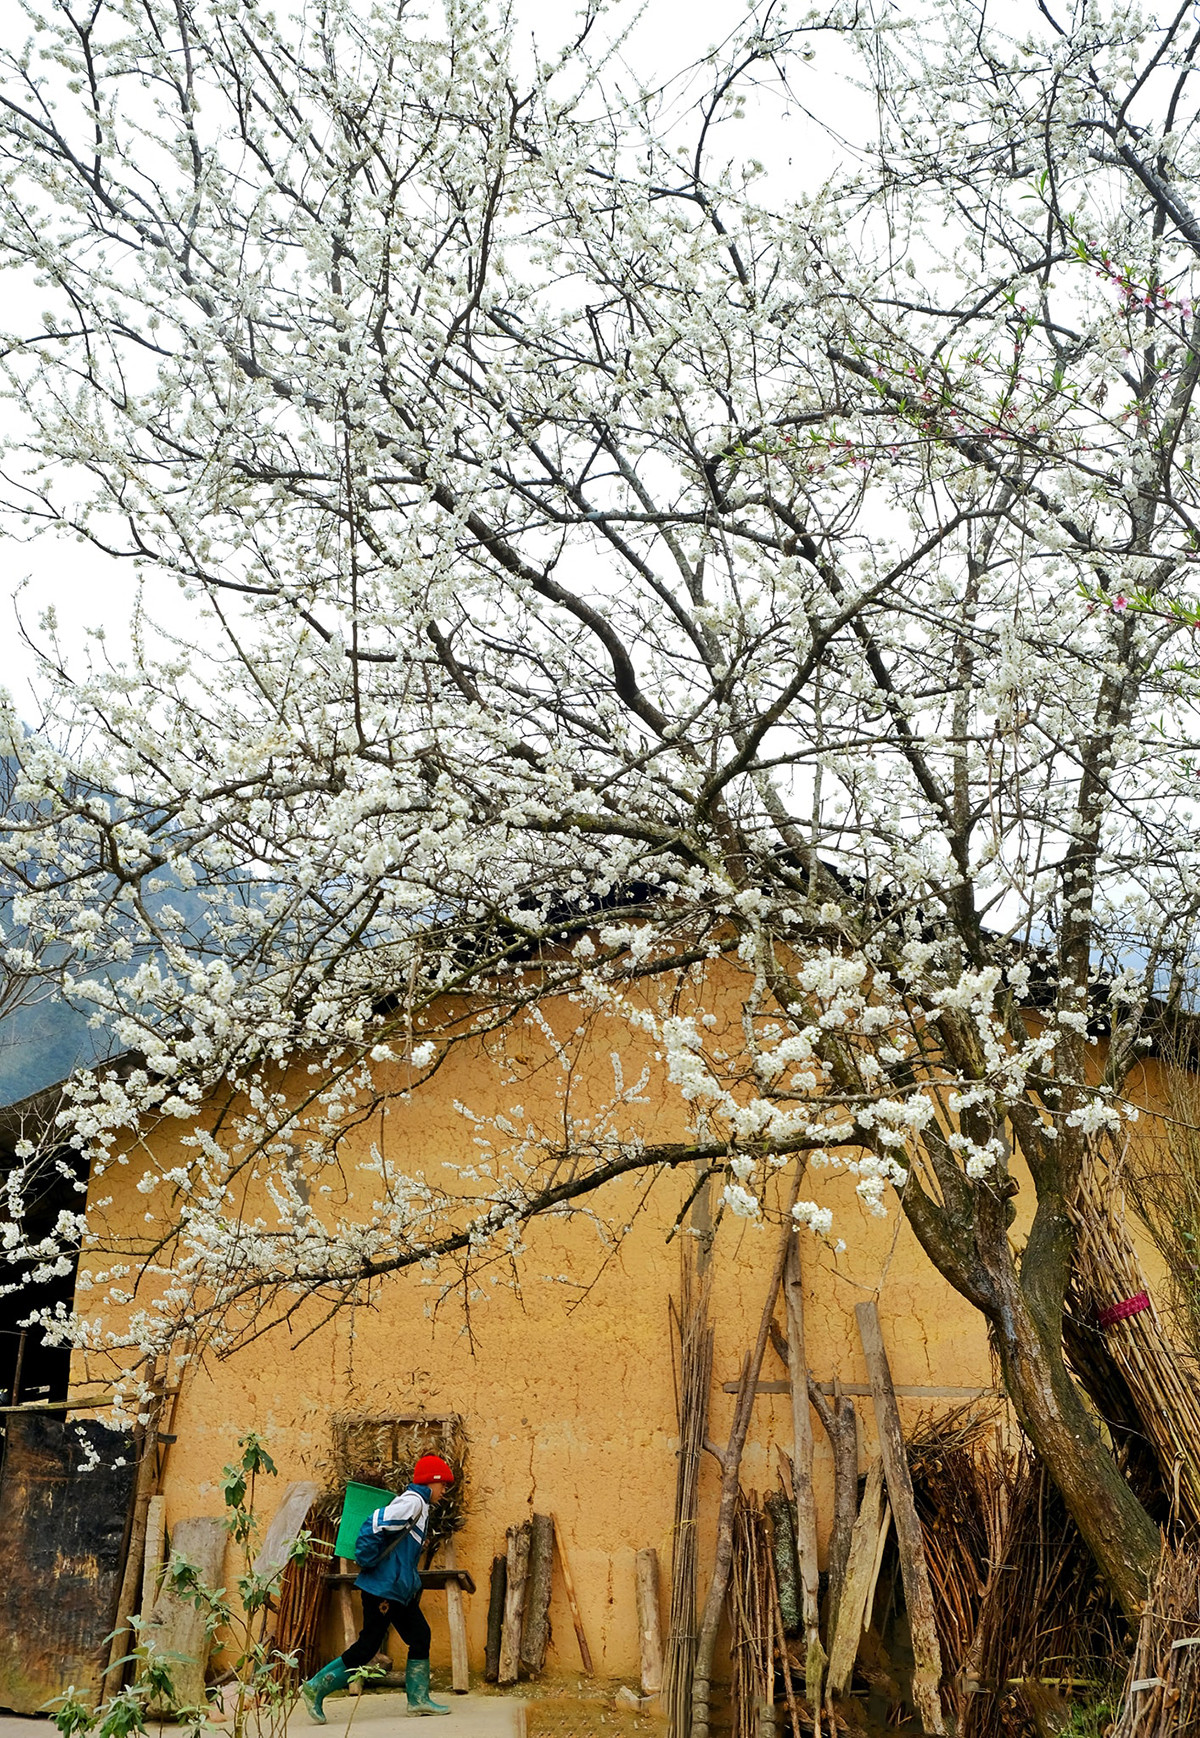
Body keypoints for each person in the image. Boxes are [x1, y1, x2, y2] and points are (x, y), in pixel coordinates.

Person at [302, 1454, 456, 1720]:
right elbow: (375, 1523)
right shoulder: (412, 1503)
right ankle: (316, 1687)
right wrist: (370, 1558)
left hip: (398, 1590)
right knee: (366, 1648)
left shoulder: (420, 1504)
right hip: (383, 1590)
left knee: (420, 1635)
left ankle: (418, 1700)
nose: (444, 1492)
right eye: (443, 1486)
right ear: (432, 1482)